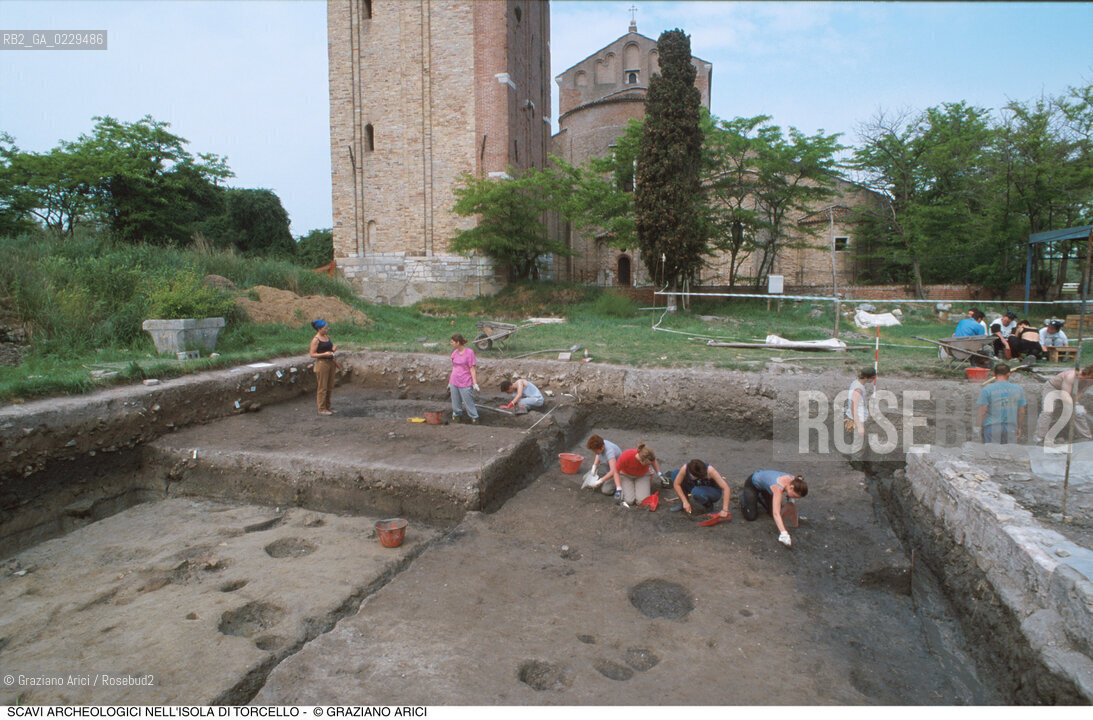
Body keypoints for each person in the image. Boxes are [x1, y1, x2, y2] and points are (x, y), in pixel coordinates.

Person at [741, 471, 808, 547]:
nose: (796, 499)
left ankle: (760, 496)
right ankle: (744, 497)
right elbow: (776, 513)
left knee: (772, 512)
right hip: (752, 484)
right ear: (791, 488)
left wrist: (791, 501)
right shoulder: (778, 488)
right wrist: (784, 533)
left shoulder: (796, 481)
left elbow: (793, 490)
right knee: (750, 516)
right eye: (795, 496)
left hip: (767, 488)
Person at [1035, 365, 1093, 444]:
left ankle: (1085, 436)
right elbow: (1065, 395)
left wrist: (1075, 404)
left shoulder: (1090, 380)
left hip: (1070, 390)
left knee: (1078, 412)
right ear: (1090, 374)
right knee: (1047, 412)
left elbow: (1081, 391)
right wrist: (1074, 405)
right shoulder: (1071, 376)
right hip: (1053, 388)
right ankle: (1040, 438)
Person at [976, 364, 1027, 444]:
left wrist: (978, 427)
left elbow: (982, 412)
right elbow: (1022, 412)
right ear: (1008, 374)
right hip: (1011, 428)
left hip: (991, 427)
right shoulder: (1018, 389)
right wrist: (1019, 427)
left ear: (994, 374)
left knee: (991, 451)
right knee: (1009, 451)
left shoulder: (986, 390)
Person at [448, 333, 480, 424]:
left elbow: (472, 368)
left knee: (468, 402)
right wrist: (450, 381)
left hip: (465, 381)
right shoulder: (454, 353)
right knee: (455, 402)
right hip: (454, 381)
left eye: (452, 342)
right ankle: (456, 417)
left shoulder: (469, 353)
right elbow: (454, 367)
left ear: (458, 342)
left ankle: (474, 418)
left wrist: (475, 383)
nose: (451, 343)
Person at [309, 319, 338, 415]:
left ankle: (328, 407)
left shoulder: (327, 337)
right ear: (319, 329)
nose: (326, 330)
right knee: (322, 387)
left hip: (331, 362)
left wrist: (333, 350)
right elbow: (312, 354)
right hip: (322, 364)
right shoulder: (316, 340)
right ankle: (321, 408)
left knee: (330, 386)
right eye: (325, 328)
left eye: (327, 328)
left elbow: (329, 349)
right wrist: (324, 354)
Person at [845, 367, 877, 443]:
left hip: (853, 417)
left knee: (855, 441)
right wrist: (859, 426)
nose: (874, 379)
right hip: (857, 419)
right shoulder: (858, 389)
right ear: (866, 377)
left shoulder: (855, 382)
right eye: (873, 378)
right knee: (858, 444)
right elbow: (853, 408)